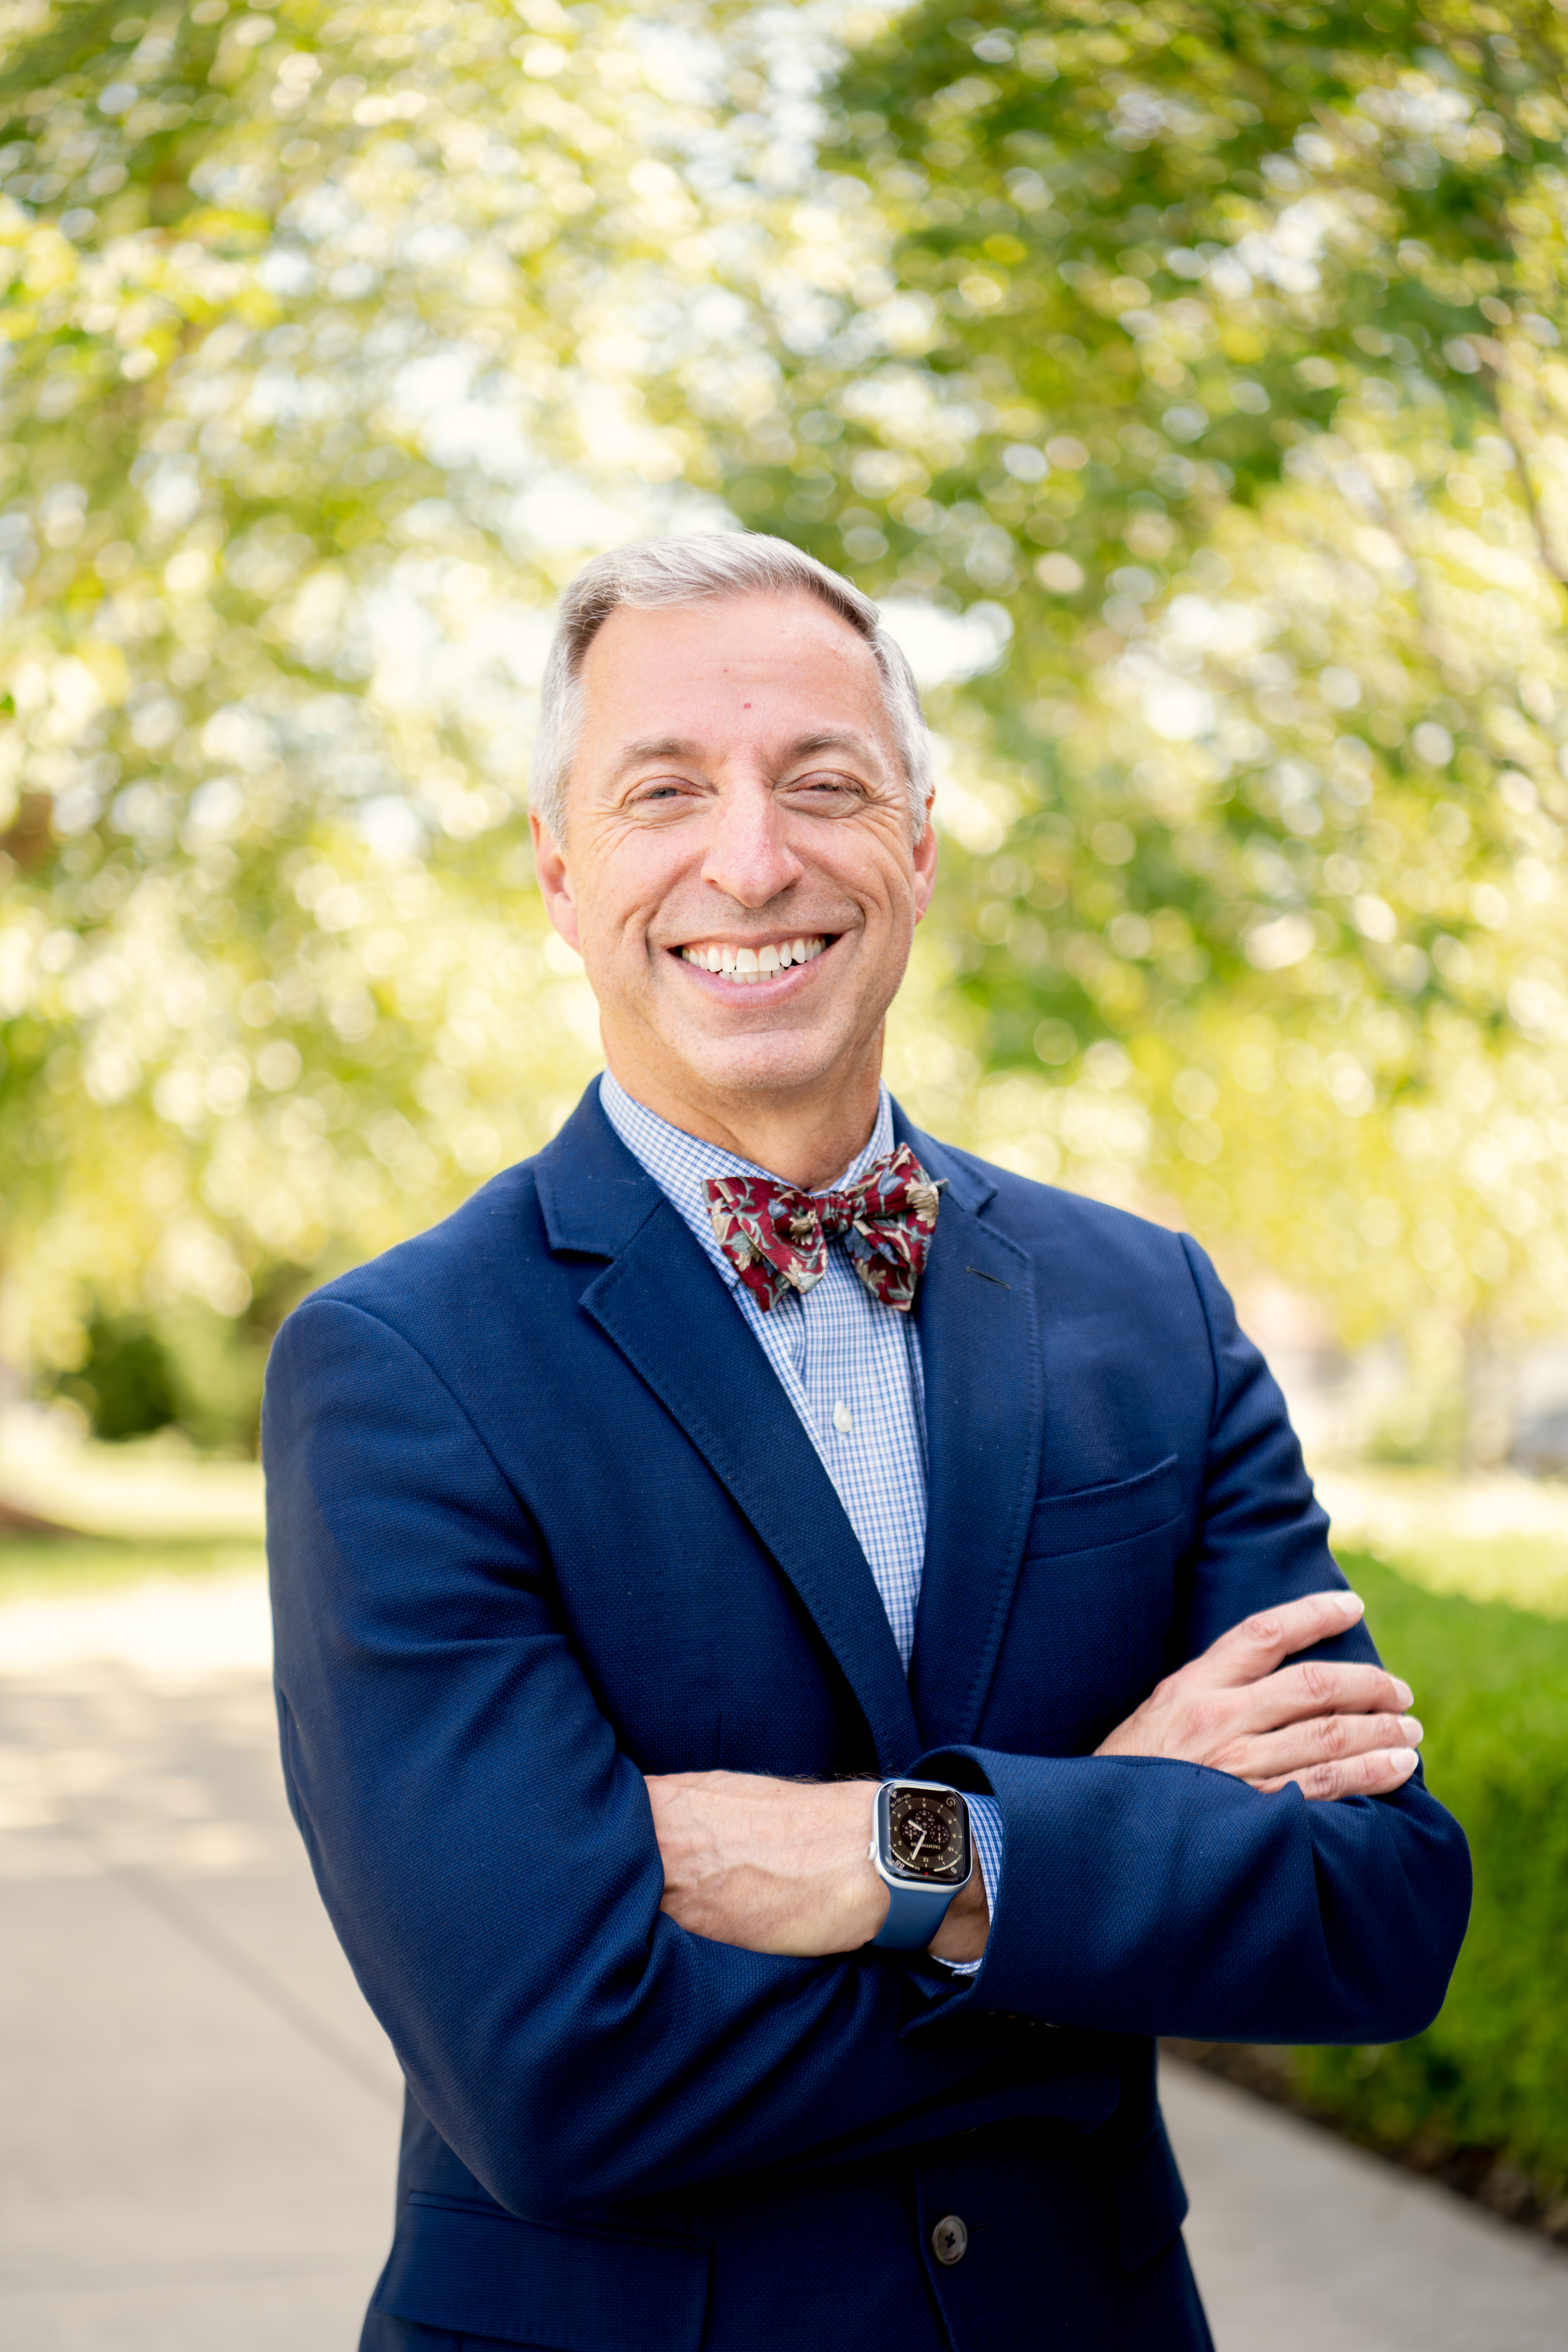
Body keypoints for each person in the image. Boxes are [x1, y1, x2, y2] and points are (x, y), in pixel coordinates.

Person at [264, 533, 1471, 2352]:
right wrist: (1094, 1863)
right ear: (562, 875)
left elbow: (1376, 1910)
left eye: (824, 785)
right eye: (666, 791)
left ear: (919, 844)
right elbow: (557, 2080)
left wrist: (890, 1859)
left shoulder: (1149, 1308)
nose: (753, 859)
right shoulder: (402, 1367)